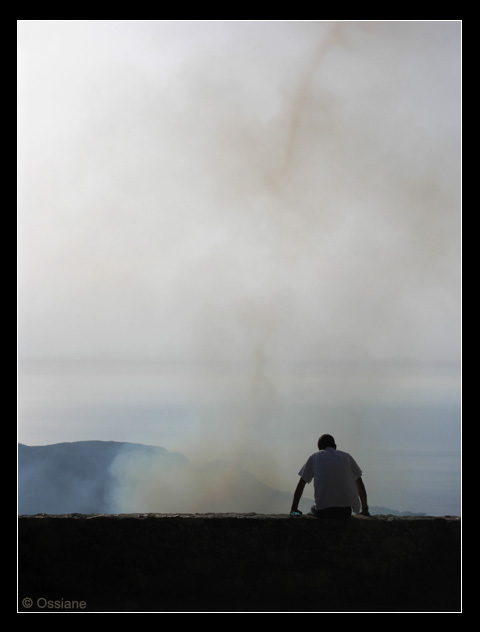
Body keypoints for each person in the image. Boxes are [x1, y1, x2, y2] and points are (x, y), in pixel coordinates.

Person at [290, 434, 370, 518]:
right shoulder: (347, 457)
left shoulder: (315, 457)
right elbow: (359, 483)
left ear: (319, 447)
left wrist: (294, 508)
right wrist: (365, 509)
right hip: (345, 511)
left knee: (312, 511)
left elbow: (301, 484)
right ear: (335, 446)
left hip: (323, 511)